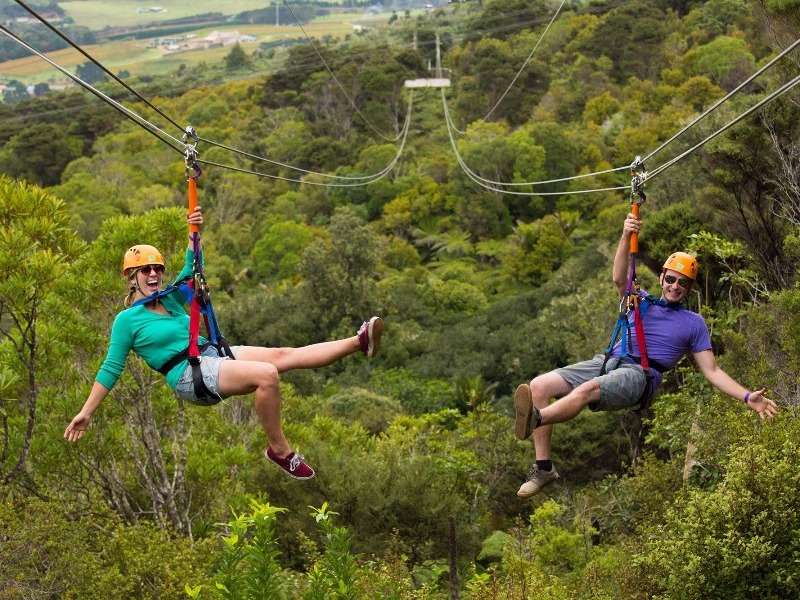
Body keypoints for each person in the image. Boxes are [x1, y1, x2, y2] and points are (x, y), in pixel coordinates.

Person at [64, 207, 384, 481]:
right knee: (266, 375)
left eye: (157, 269)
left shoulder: (173, 299)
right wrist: (86, 412)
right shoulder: (127, 321)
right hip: (190, 376)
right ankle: (280, 451)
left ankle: (358, 342)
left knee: (284, 356)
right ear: (131, 277)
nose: (153, 274)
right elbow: (111, 368)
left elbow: (192, 269)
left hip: (209, 353)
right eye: (145, 270)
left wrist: (194, 231)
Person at [512, 212, 779, 498]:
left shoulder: (693, 324)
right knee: (539, 385)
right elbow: (618, 278)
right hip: (608, 362)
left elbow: (712, 372)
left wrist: (748, 396)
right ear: (662, 277)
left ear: (690, 288)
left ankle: (537, 418)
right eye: (672, 279)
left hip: (639, 375)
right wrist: (627, 235)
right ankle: (543, 467)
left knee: (589, 390)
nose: (676, 286)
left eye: (683, 283)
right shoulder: (640, 301)